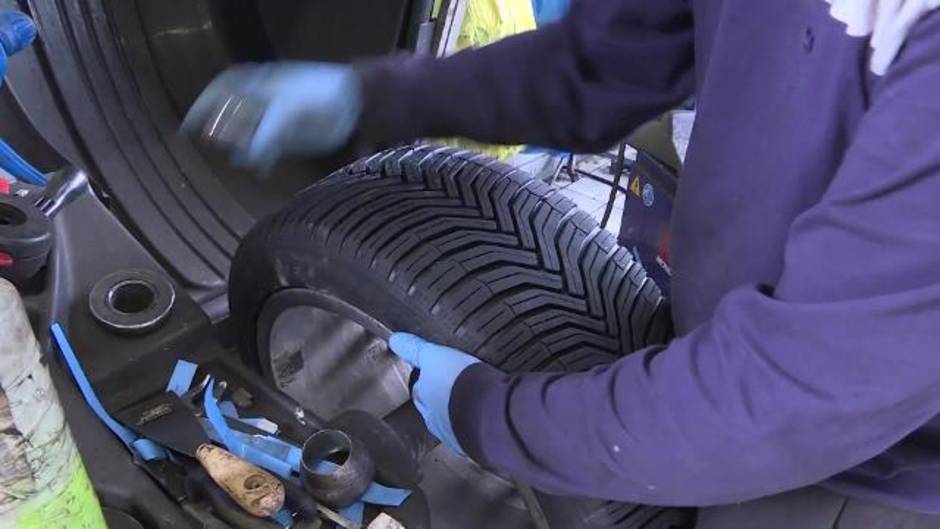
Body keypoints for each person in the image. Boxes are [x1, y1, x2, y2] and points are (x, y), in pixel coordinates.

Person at [183, 1, 940, 527]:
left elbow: (787, 400)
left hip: (884, 470)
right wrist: (375, 96)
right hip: (752, 354)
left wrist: (487, 416)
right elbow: (610, 60)